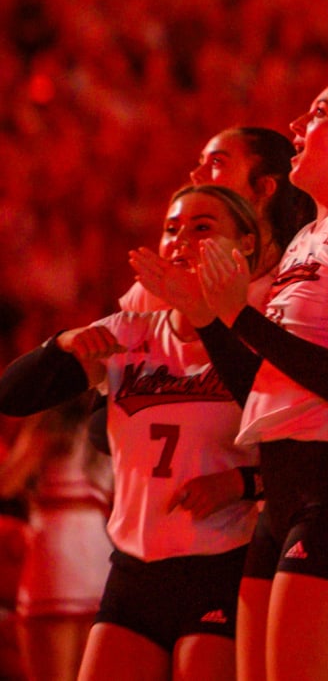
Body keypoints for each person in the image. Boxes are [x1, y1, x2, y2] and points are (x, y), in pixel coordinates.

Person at [135, 74, 328, 681]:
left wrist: (239, 312)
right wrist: (206, 317)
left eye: (319, 113)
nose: (296, 126)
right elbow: (259, 390)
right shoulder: (305, 240)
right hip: (285, 484)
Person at [0, 185, 264, 681]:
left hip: (219, 566)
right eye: (171, 229)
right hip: (133, 572)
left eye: (201, 227)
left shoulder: (262, 334)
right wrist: (62, 344)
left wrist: (241, 484)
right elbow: (11, 396)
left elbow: (304, 447)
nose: (181, 239)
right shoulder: (132, 331)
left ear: (246, 243)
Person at [121, 126, 314, 314]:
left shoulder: (296, 285)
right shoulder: (161, 285)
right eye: (172, 229)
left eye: (216, 162)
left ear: (264, 188)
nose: (195, 175)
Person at [0, 398, 111, 681]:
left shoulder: (51, 422)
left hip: (57, 553)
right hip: (100, 554)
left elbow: (7, 483)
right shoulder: (113, 416)